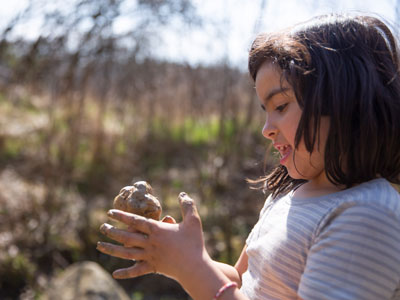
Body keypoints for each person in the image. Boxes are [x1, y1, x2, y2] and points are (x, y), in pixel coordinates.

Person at [97, 13, 400, 300]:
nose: (266, 129)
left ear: (346, 102)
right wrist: (178, 255)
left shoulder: (368, 213)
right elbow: (241, 280)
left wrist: (193, 268)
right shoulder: (289, 194)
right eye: (265, 111)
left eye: (280, 106)